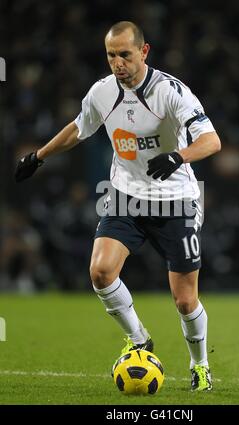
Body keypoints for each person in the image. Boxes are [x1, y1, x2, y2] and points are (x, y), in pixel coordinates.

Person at [15, 21, 221, 392]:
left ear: (144, 52)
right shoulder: (102, 92)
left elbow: (211, 141)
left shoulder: (170, 92)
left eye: (125, 54)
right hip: (126, 196)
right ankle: (140, 339)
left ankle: (200, 365)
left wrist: (179, 156)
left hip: (175, 202)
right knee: (101, 271)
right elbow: (80, 128)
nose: (117, 63)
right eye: (111, 55)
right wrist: (38, 156)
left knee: (185, 300)